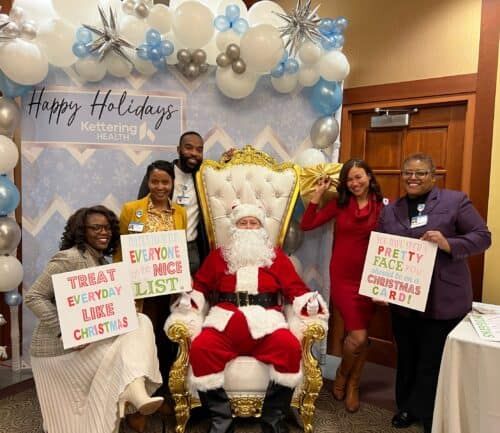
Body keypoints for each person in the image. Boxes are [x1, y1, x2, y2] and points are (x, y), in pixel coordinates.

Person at [168, 203, 328, 433]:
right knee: (201, 348)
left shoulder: (275, 257)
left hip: (268, 323)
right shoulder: (219, 257)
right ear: (234, 227)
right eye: (243, 223)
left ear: (262, 228)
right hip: (224, 321)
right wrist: (187, 300)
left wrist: (309, 304)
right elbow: (200, 286)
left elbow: (296, 289)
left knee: (289, 348)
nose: (248, 227)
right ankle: (221, 419)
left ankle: (272, 418)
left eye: (254, 223)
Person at [377, 153, 491, 433]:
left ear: (433, 175)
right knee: (407, 356)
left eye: (420, 173)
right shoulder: (391, 210)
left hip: (443, 299)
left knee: (435, 359)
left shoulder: (455, 201)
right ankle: (406, 407)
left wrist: (448, 243)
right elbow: (381, 248)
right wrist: (379, 283)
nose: (412, 178)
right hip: (404, 300)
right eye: (407, 173)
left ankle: (431, 413)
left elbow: (482, 236)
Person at [25, 206, 163, 433]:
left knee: (141, 321)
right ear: (81, 231)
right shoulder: (69, 258)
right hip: (59, 351)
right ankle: (133, 387)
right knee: (126, 353)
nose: (104, 232)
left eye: (108, 227)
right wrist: (65, 331)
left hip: (88, 345)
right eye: (96, 227)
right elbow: (34, 296)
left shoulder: (102, 264)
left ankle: (134, 387)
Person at [300, 159, 384, 413]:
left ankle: (353, 385)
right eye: (349, 179)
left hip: (372, 278)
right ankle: (343, 375)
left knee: (362, 336)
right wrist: (317, 195)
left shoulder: (383, 207)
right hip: (344, 278)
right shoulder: (340, 203)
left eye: (359, 177)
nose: (355, 183)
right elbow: (306, 224)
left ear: (369, 177)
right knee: (357, 337)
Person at [117, 160, 187, 430]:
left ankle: (162, 395)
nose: (160, 187)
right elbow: (123, 251)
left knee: (164, 343)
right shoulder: (131, 211)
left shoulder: (180, 213)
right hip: (140, 293)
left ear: (172, 184)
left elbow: (178, 250)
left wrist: (180, 284)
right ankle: (137, 405)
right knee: (139, 344)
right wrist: (125, 288)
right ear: (148, 182)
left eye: (165, 182)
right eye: (155, 181)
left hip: (167, 293)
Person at [138, 131, 209, 274]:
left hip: (191, 249)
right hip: (161, 248)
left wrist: (228, 159)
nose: (194, 153)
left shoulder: (204, 177)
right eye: (188, 148)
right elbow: (141, 208)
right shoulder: (161, 174)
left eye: (199, 150)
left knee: (189, 294)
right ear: (179, 150)